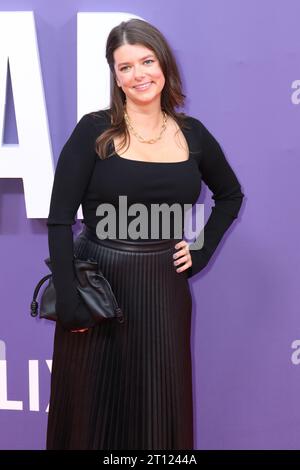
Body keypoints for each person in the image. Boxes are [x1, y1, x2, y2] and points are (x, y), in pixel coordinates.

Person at [45, 18, 244, 450]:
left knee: (158, 406)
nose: (139, 75)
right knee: (90, 410)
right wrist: (68, 299)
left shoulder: (193, 134)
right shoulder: (93, 131)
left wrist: (202, 249)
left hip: (162, 288)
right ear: (115, 77)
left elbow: (229, 195)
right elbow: (59, 218)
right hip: (97, 284)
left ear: (164, 65)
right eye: (125, 67)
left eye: (147, 61)